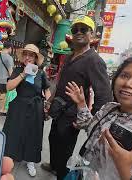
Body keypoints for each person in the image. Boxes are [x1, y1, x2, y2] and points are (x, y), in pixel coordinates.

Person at [41, 15, 113, 179]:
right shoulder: (69, 56)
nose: (78, 32)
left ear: (92, 35)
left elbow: (104, 97)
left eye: (83, 29)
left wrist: (90, 121)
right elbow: (60, 83)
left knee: (65, 149)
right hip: (58, 109)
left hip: (73, 115)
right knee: (53, 139)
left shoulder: (94, 61)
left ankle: (61, 174)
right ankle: (54, 166)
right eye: (75, 30)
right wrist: (50, 100)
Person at [2, 44, 51, 177]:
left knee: (33, 134)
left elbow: (46, 90)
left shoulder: (41, 73)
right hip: (19, 105)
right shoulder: (18, 70)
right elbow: (9, 87)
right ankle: (10, 158)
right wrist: (24, 74)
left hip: (36, 107)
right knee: (14, 132)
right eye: (26, 54)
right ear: (22, 56)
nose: (28, 57)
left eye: (31, 55)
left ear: (36, 58)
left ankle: (30, 160)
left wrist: (48, 104)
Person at [0, 41, 14, 116]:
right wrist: (13, 80)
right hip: (4, 80)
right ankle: (1, 110)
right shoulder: (9, 58)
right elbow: (10, 71)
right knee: (4, 96)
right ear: (10, 48)